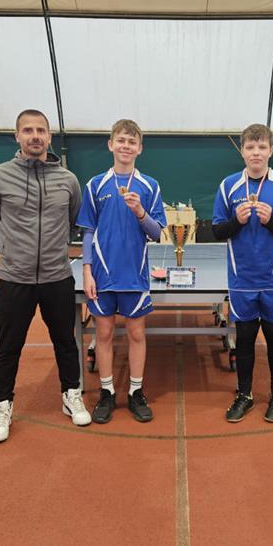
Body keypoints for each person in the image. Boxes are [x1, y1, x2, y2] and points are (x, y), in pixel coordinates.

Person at [0, 109, 88, 443]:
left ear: (49, 136)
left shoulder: (68, 180)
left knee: (66, 341)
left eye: (41, 130)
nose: (35, 136)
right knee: (8, 347)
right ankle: (2, 405)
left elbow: (74, 223)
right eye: (28, 130)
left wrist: (54, 252)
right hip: (16, 279)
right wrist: (12, 254)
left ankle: (71, 394)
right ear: (17, 136)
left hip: (57, 276)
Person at [76, 119, 166, 424]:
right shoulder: (95, 185)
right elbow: (88, 231)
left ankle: (136, 392)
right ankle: (107, 392)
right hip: (102, 276)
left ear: (140, 148)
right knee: (103, 333)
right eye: (121, 140)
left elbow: (156, 233)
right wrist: (87, 271)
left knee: (136, 333)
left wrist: (140, 211)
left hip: (135, 275)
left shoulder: (150, 186)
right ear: (111, 144)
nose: (126, 146)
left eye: (132, 141)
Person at [212, 124, 273, 423]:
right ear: (242, 151)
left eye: (262, 147)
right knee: (245, 337)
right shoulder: (228, 185)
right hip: (242, 277)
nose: (256, 153)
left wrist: (272, 221)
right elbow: (217, 231)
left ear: (270, 151)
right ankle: (244, 394)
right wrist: (236, 222)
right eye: (250, 147)